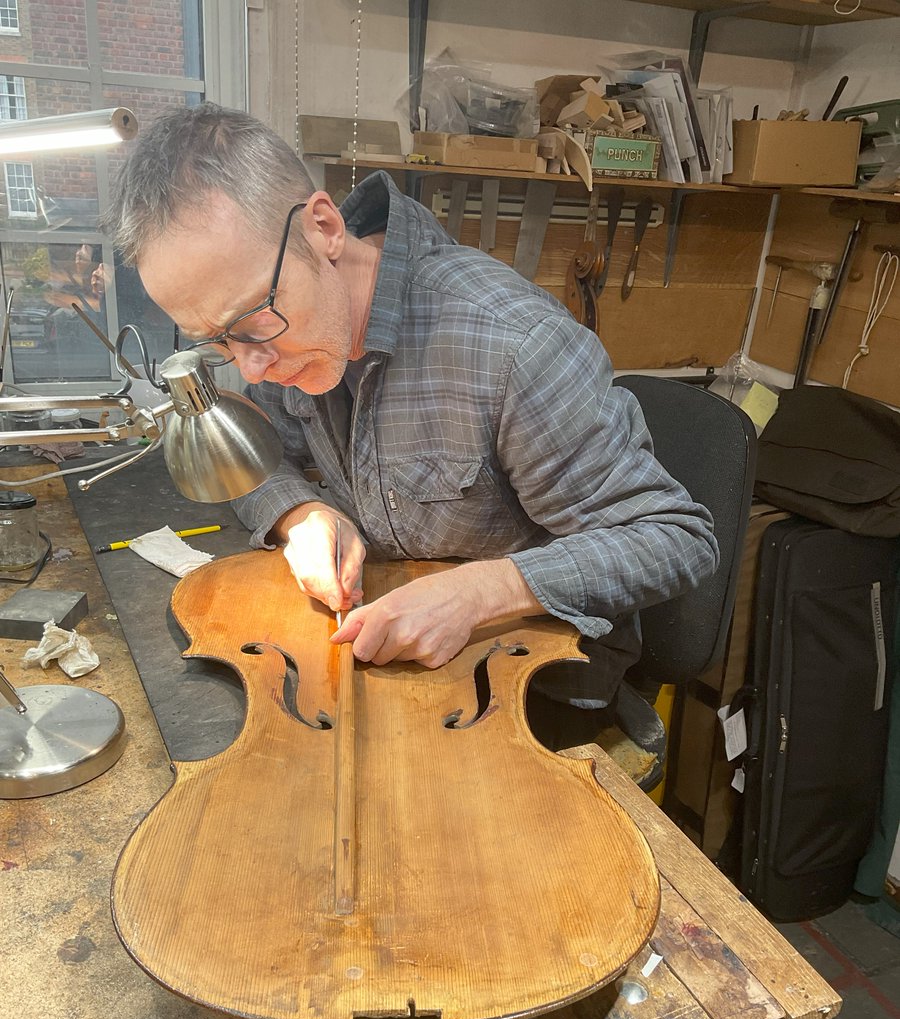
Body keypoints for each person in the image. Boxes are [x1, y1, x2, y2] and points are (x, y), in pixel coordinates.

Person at [103, 103, 718, 741]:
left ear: (323, 228)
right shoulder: (291, 337)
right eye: (219, 342)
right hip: (385, 670)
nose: (252, 369)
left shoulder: (511, 347)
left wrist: (483, 591)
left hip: (527, 689)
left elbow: (672, 537)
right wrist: (302, 517)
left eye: (256, 323)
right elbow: (260, 460)